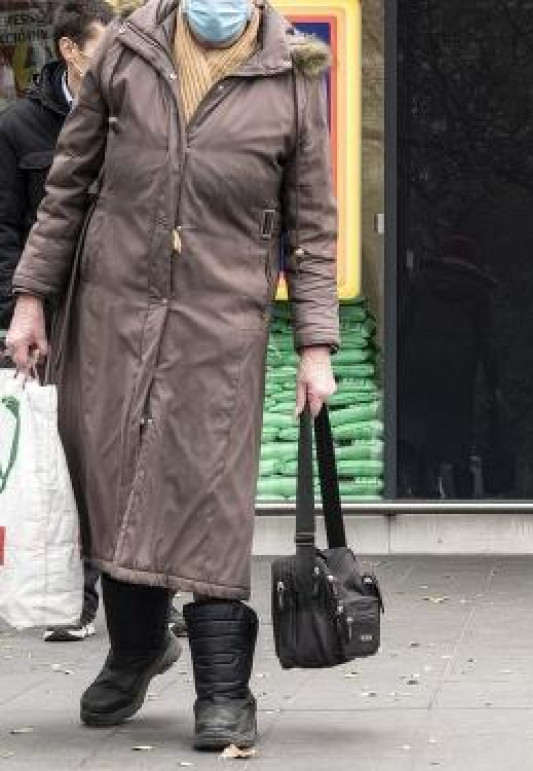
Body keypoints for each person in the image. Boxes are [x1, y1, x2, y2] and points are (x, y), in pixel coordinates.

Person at [4, 0, 339, 751]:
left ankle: (225, 689)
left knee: (209, 490)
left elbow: (312, 224)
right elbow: (67, 187)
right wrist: (31, 300)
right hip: (112, 309)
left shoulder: (290, 74)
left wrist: (317, 344)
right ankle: (136, 649)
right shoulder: (125, 51)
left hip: (222, 320)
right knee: (116, 478)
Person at [0, 0, 115, 644]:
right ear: (69, 51)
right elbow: (5, 228)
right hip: (54, 318)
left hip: (121, 312)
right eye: (103, 50)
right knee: (65, 454)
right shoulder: (18, 127)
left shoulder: (134, 118)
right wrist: (15, 310)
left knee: (127, 455)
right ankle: (76, 596)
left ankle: (148, 596)